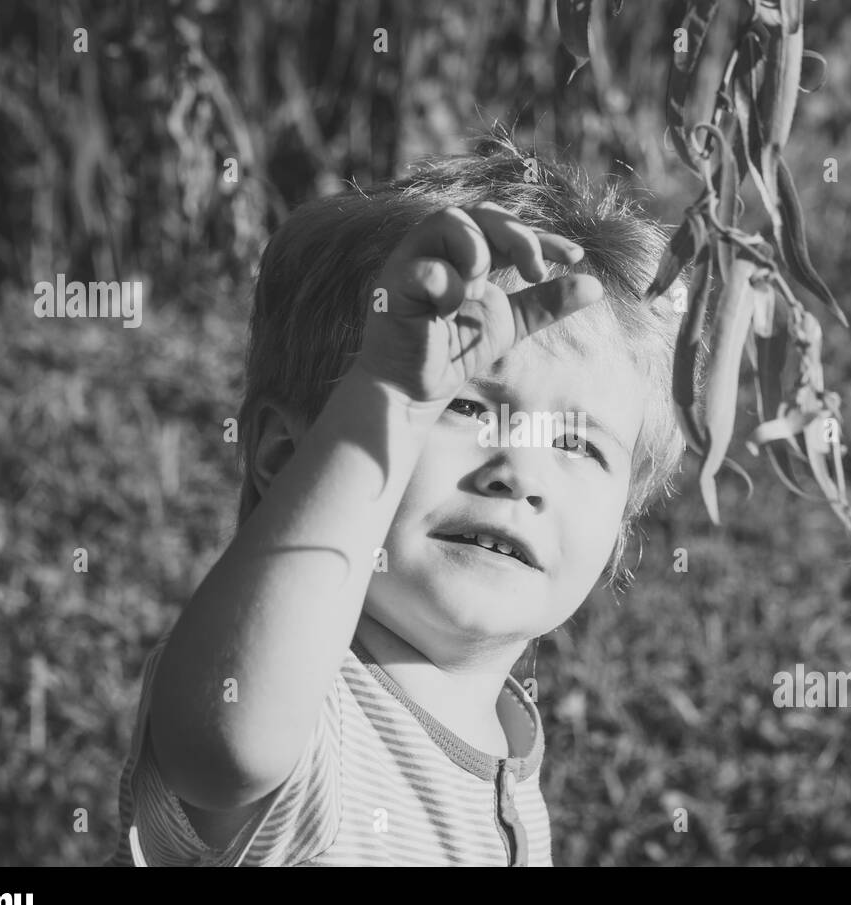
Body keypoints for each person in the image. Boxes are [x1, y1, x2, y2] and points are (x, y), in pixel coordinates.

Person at [107, 134, 689, 866]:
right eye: (465, 408)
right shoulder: (306, 710)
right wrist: (389, 387)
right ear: (288, 459)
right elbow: (228, 743)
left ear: (622, 529)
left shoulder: (508, 744)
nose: (519, 472)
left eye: (577, 443)